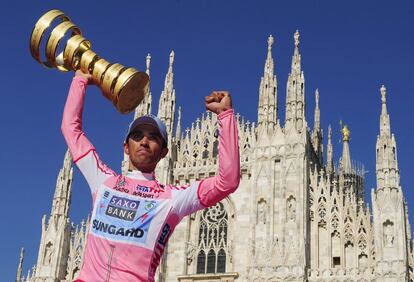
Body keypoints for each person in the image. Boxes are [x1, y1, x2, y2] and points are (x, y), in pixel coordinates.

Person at [61, 70, 240, 281]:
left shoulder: (171, 199)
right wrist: (80, 79)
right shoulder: (103, 181)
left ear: (164, 152)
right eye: (137, 136)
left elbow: (227, 181)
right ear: (126, 147)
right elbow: (71, 129)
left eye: (153, 137)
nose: (144, 141)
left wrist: (226, 116)